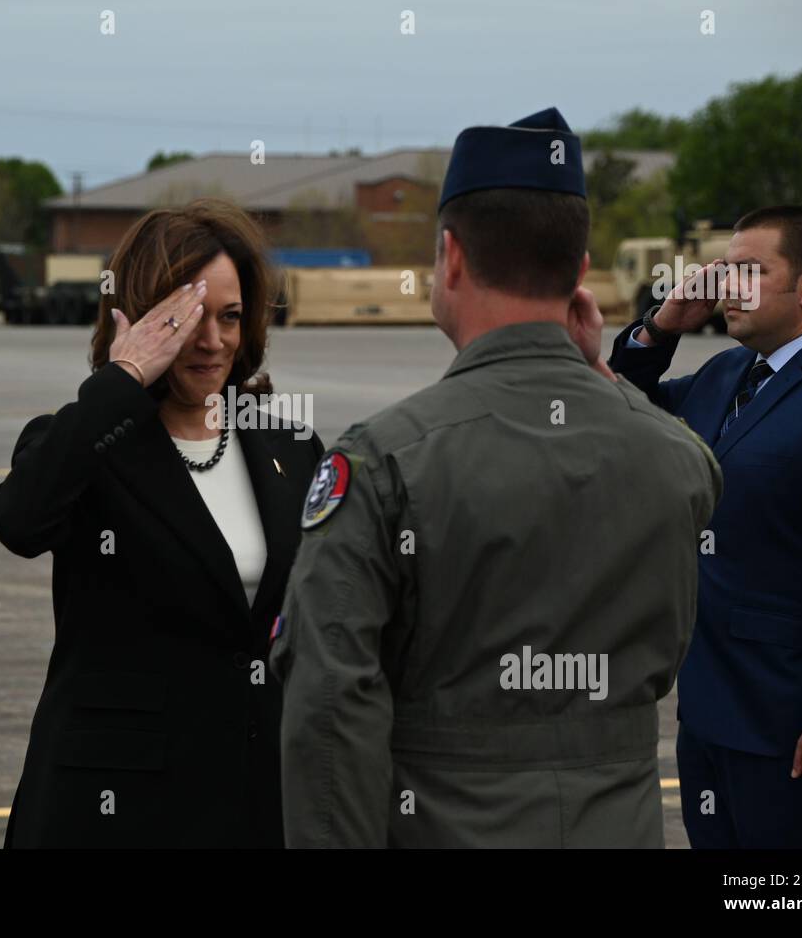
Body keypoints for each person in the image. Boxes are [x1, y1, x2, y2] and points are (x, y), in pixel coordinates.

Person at [270, 108, 722, 848]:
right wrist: (600, 374)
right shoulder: (676, 459)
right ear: (580, 271)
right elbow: (679, 458)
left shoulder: (386, 461)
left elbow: (329, 705)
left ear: (450, 257)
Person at [0, 198, 324, 847]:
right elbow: (18, 521)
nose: (214, 341)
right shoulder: (90, 441)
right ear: (141, 316)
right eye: (188, 319)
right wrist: (124, 379)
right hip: (118, 809)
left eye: (230, 317)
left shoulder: (289, 447)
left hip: (254, 801)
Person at [608, 205, 802, 848]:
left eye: (750, 271)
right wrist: (663, 326)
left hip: (787, 723)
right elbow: (618, 411)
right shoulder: (724, 376)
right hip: (709, 710)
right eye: (725, 270)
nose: (728, 288)